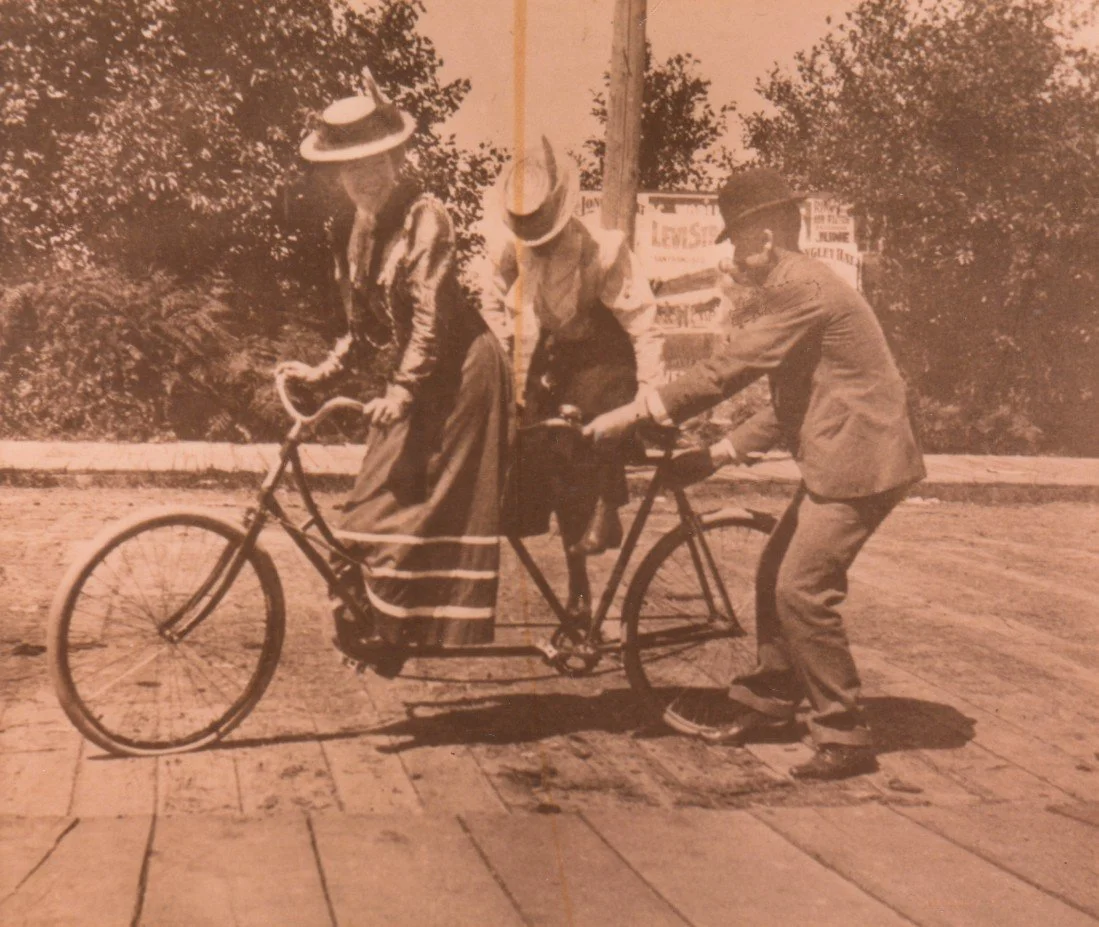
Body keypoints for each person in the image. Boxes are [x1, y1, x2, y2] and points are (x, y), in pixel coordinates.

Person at [585, 168, 926, 780]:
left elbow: (728, 369)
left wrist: (636, 412)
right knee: (774, 570)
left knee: (802, 590)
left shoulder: (803, 288)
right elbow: (795, 398)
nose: (736, 259)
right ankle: (773, 698)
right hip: (845, 452)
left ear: (765, 239)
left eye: (739, 244)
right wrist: (719, 453)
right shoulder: (802, 285)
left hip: (862, 463)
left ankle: (844, 733)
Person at [279, 76, 511, 674]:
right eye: (350, 168)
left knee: (410, 507)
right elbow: (363, 328)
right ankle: (385, 631)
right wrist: (321, 373)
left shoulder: (426, 218)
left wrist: (403, 389)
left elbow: (430, 317)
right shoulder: (355, 230)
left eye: (374, 163)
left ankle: (402, 631)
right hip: (416, 377)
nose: (363, 178)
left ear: (395, 159)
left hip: (463, 376)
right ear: (337, 174)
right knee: (365, 507)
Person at [473, 136, 664, 619]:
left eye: (548, 235)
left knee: (592, 415)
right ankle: (577, 584)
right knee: (543, 443)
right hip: (553, 351)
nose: (541, 245)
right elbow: (492, 301)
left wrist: (650, 394)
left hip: (605, 349)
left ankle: (607, 506)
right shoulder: (512, 251)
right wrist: (506, 356)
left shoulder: (602, 249)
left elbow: (641, 320)